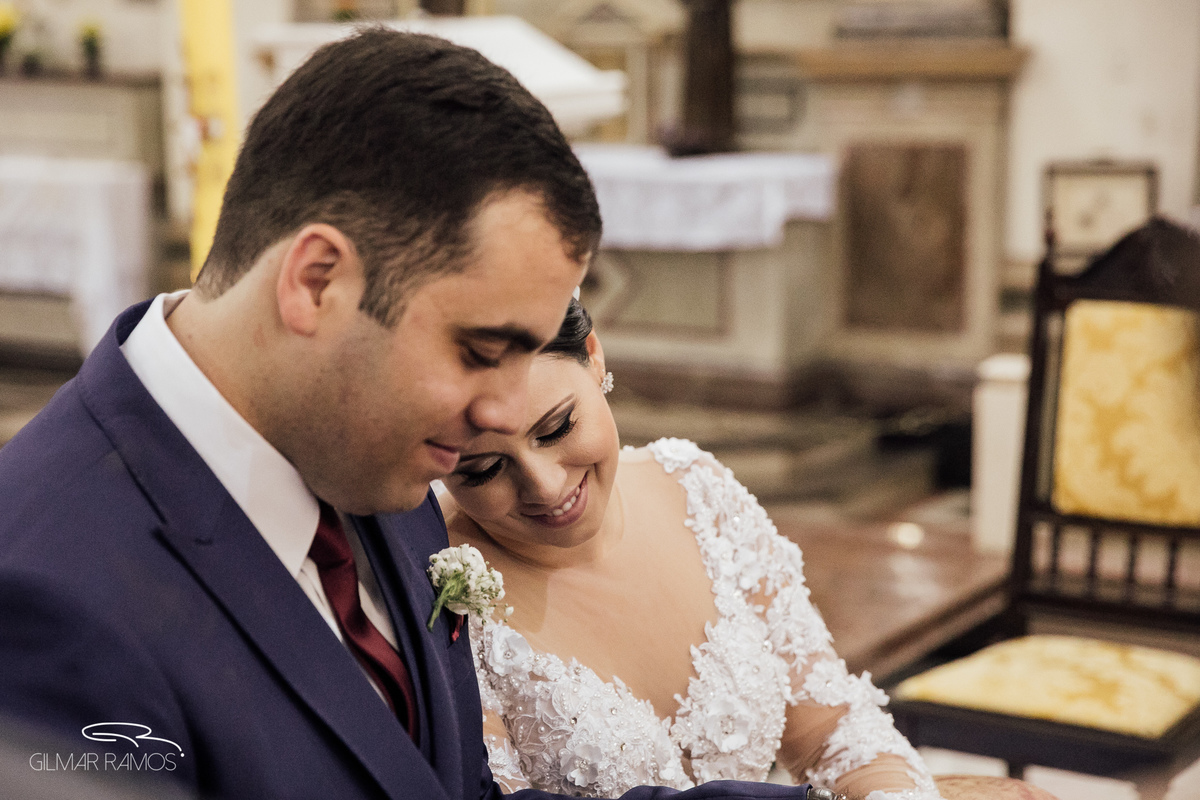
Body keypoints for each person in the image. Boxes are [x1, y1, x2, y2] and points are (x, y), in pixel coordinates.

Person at [0, 28, 812, 800]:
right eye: (478, 350)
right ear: (318, 281)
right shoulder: (49, 596)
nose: (499, 413)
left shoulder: (372, 457)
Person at [439, 299, 944, 800]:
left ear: (593, 356)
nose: (546, 487)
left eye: (556, 428)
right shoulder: (437, 587)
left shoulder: (694, 489)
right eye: (483, 470)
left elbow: (833, 731)